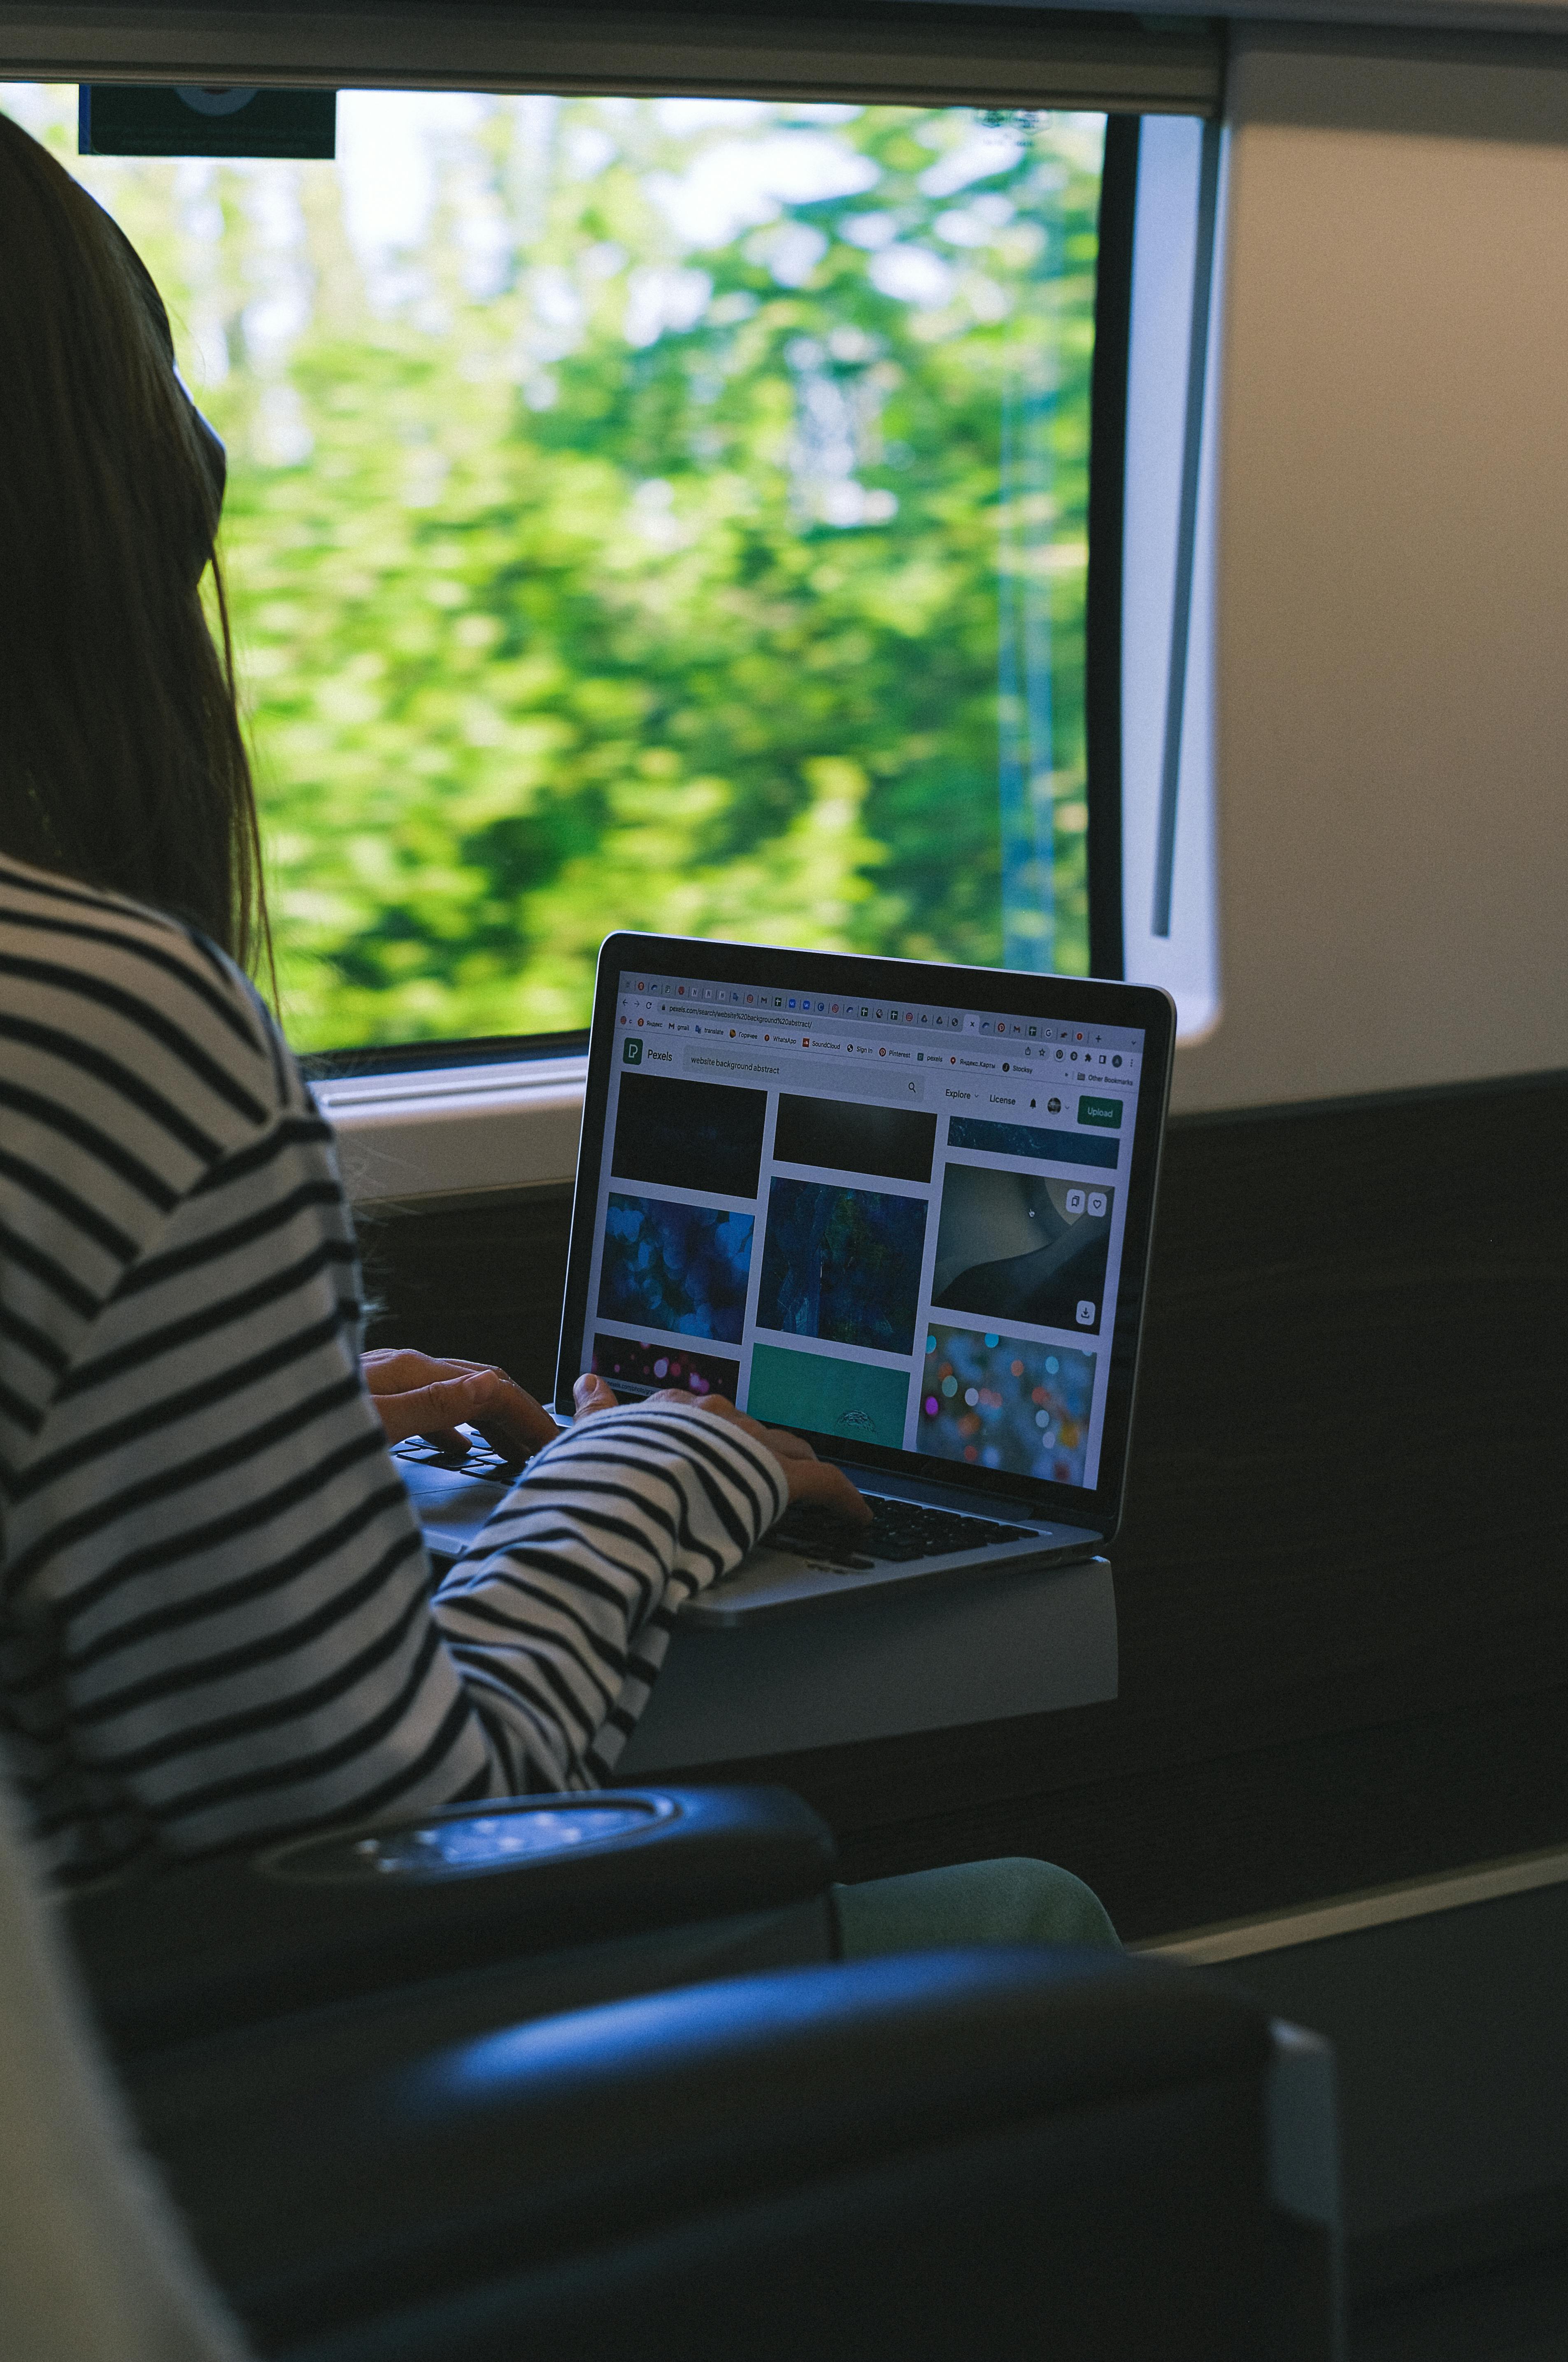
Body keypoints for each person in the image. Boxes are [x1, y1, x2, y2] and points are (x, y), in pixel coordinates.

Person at [0, 113, 1116, 1953]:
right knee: (1026, 1920)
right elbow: (422, 1836)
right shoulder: (106, 1021)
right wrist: (668, 1456)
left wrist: (244, 1455)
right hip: (163, 2123)